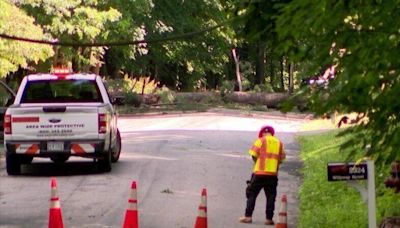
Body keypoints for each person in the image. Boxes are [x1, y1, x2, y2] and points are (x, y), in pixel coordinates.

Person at [239, 125, 286, 225]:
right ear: (271, 133)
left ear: (263, 133)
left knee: (252, 194)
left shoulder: (261, 140)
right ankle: (269, 219)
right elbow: (281, 159)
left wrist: (257, 163)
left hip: (259, 173)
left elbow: (253, 154)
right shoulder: (279, 143)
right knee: (271, 196)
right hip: (273, 174)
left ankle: (248, 216)